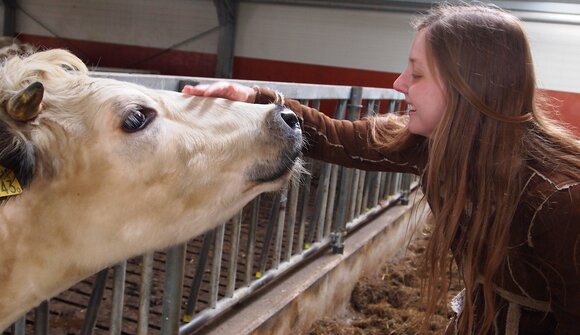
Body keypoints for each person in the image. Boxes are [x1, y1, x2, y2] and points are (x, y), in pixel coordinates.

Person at [182, 3, 580, 334]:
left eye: (417, 73)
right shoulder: (433, 147)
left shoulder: (557, 200)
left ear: (470, 89)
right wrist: (257, 100)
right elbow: (338, 138)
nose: (398, 82)